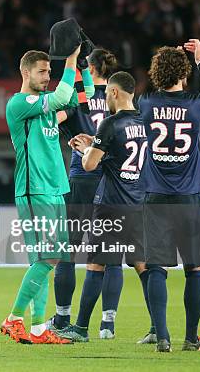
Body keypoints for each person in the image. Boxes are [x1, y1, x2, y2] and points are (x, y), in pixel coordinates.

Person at [0, 44, 93, 345]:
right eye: (42, 71)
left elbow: (84, 95)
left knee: (42, 261)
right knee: (49, 257)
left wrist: (86, 65)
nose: (47, 76)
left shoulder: (47, 107)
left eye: (50, 72)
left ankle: (38, 328)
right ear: (25, 72)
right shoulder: (20, 103)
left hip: (54, 188)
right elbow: (65, 96)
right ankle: (14, 318)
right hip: (33, 188)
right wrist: (71, 58)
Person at [139, 39, 200, 352]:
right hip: (188, 198)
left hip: (155, 196)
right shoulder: (197, 104)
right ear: (184, 73)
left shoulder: (145, 103)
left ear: (156, 73)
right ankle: (191, 338)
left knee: (157, 268)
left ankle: (162, 337)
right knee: (194, 270)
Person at [58, 71, 152, 342]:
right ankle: (158, 328)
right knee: (143, 266)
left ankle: (80, 328)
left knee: (96, 265)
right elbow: (121, 156)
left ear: (113, 92)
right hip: (137, 202)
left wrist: (82, 150)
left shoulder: (111, 124)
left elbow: (90, 165)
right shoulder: (144, 122)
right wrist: (96, 150)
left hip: (111, 203)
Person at [49, 48, 116, 332]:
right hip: (112, 180)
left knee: (67, 251)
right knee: (109, 255)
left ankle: (63, 316)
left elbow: (52, 120)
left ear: (90, 67)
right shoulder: (118, 98)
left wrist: (65, 136)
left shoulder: (80, 96)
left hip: (81, 177)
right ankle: (107, 323)